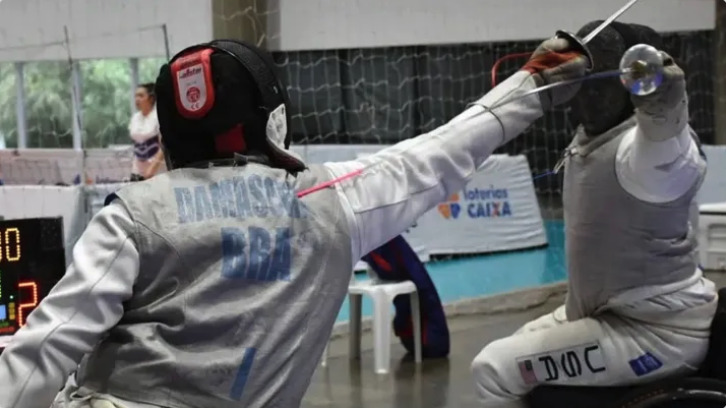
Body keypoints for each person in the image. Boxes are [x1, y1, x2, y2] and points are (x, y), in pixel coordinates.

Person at [0, 38, 586, 408]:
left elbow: (40, 353)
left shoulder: (131, 216)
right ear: (271, 121)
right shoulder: (334, 201)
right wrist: (533, 81)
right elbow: (439, 153)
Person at [471, 22, 716, 408]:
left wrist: (666, 106)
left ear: (632, 87)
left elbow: (668, 153)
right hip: (601, 316)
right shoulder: (592, 137)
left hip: (656, 333)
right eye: (579, 78)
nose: (583, 93)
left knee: (494, 369)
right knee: (516, 348)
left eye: (596, 79)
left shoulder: (646, 150)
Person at [129, 83, 165, 181]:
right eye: (136, 96)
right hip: (137, 169)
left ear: (151, 98)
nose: (137, 99)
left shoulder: (158, 116)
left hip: (157, 170)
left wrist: (151, 170)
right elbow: (136, 143)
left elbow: (163, 146)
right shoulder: (135, 118)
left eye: (141, 96)